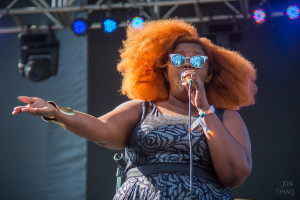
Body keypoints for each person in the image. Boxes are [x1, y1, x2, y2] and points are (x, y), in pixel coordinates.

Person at [12, 19, 257, 199]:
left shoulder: (226, 117)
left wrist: (205, 110)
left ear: (210, 73)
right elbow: (101, 129)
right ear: (164, 69)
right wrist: (55, 112)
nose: (187, 65)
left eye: (197, 60)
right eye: (178, 59)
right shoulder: (142, 109)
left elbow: (235, 174)